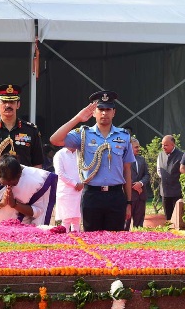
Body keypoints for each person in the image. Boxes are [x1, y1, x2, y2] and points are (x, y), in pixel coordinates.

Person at [49, 90, 134, 232]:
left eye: (108, 109)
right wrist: (77, 118)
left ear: (114, 112)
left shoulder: (124, 136)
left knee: (116, 243)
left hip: (116, 196)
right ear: (94, 112)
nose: (104, 113)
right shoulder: (83, 134)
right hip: (92, 196)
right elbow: (55, 140)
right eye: (100, 109)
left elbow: (127, 170)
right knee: (92, 240)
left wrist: (129, 202)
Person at [0, 155, 57, 226]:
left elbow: (37, 212)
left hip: (21, 232)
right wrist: (1, 204)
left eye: (14, 184)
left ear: (20, 175)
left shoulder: (33, 179)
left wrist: (15, 204)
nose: (8, 187)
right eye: (4, 184)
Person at [53, 147, 83, 232]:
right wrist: (75, 183)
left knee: (77, 219)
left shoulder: (81, 153)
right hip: (66, 191)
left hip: (80, 190)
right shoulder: (60, 154)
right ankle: (65, 242)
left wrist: (82, 183)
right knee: (66, 219)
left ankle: (76, 242)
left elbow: (87, 169)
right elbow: (60, 173)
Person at [125, 138, 150, 230]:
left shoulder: (141, 159)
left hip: (141, 196)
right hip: (128, 198)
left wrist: (140, 183)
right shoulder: (122, 160)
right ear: (129, 147)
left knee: (139, 225)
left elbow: (147, 175)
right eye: (136, 147)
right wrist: (134, 186)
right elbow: (122, 176)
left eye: (138, 147)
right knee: (125, 224)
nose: (138, 149)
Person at [157, 135, 183, 221]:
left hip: (177, 192)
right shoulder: (160, 155)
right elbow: (159, 170)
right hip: (165, 191)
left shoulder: (181, 156)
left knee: (178, 217)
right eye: (162, 145)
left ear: (173, 145)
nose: (163, 147)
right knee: (168, 217)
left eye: (166, 145)